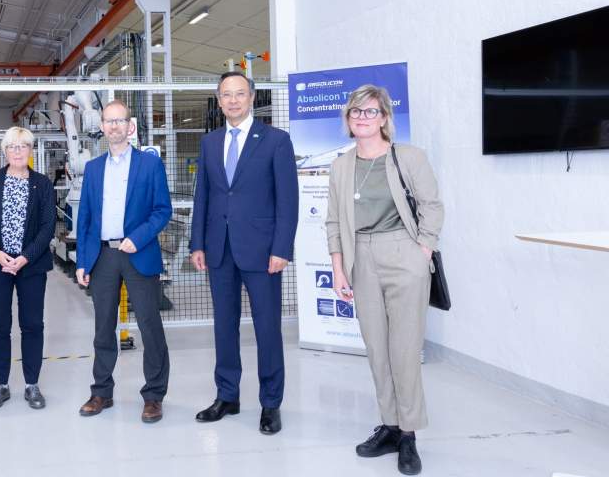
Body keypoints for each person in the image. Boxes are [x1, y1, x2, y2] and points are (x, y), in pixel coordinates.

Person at [325, 84, 443, 476]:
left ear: (384, 118)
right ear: (348, 119)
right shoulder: (341, 166)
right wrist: (339, 268)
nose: (362, 118)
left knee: (404, 349)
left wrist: (422, 250)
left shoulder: (408, 157)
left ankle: (408, 434)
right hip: (360, 258)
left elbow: (431, 206)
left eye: (371, 111)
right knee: (377, 348)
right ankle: (390, 426)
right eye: (356, 112)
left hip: (403, 253)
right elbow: (333, 222)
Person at [190, 72, 299, 435]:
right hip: (219, 249)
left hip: (263, 252)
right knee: (224, 326)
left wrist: (281, 248)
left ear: (252, 97)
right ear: (219, 100)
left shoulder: (276, 141)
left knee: (267, 328)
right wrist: (197, 243)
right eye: (226, 95)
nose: (233, 100)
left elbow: (288, 201)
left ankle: (271, 403)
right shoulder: (210, 143)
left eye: (239, 94)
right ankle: (227, 395)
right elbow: (203, 197)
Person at [74, 100, 172, 424]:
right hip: (102, 256)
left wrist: (138, 237)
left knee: (149, 325)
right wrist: (83, 261)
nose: (114, 126)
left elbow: (162, 210)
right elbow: (85, 218)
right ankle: (101, 392)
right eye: (108, 121)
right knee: (103, 327)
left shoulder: (150, 164)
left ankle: (154, 395)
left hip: (138, 253)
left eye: (119, 120)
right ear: (102, 127)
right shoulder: (93, 168)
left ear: (130, 126)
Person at [0, 127, 56, 410]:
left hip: (31, 266)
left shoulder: (42, 184)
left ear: (31, 150)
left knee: (32, 325)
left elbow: (47, 226)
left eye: (23, 146)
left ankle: (32, 385)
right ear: (5, 151)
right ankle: (2, 385)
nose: (17, 151)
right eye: (12, 146)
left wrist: (26, 257)